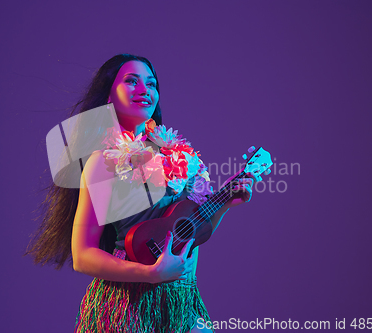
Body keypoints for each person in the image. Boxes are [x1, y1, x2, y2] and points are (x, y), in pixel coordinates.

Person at [25, 54, 257, 333]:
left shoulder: (178, 155)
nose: (144, 89)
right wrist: (150, 274)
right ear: (109, 95)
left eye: (151, 83)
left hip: (183, 303)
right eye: (131, 81)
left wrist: (225, 203)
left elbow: (190, 232)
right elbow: (83, 254)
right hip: (129, 307)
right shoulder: (104, 161)